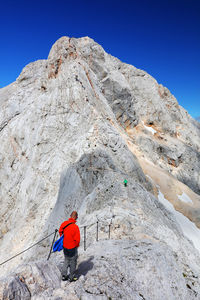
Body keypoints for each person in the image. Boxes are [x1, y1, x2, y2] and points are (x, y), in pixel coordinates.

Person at [59, 211, 80, 282]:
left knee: (66, 260)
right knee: (73, 261)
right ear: (76, 217)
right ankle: (72, 277)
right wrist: (76, 246)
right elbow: (77, 239)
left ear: (70, 216)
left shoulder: (64, 223)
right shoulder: (75, 227)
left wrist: (64, 238)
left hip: (65, 245)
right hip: (72, 247)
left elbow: (60, 231)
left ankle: (64, 275)